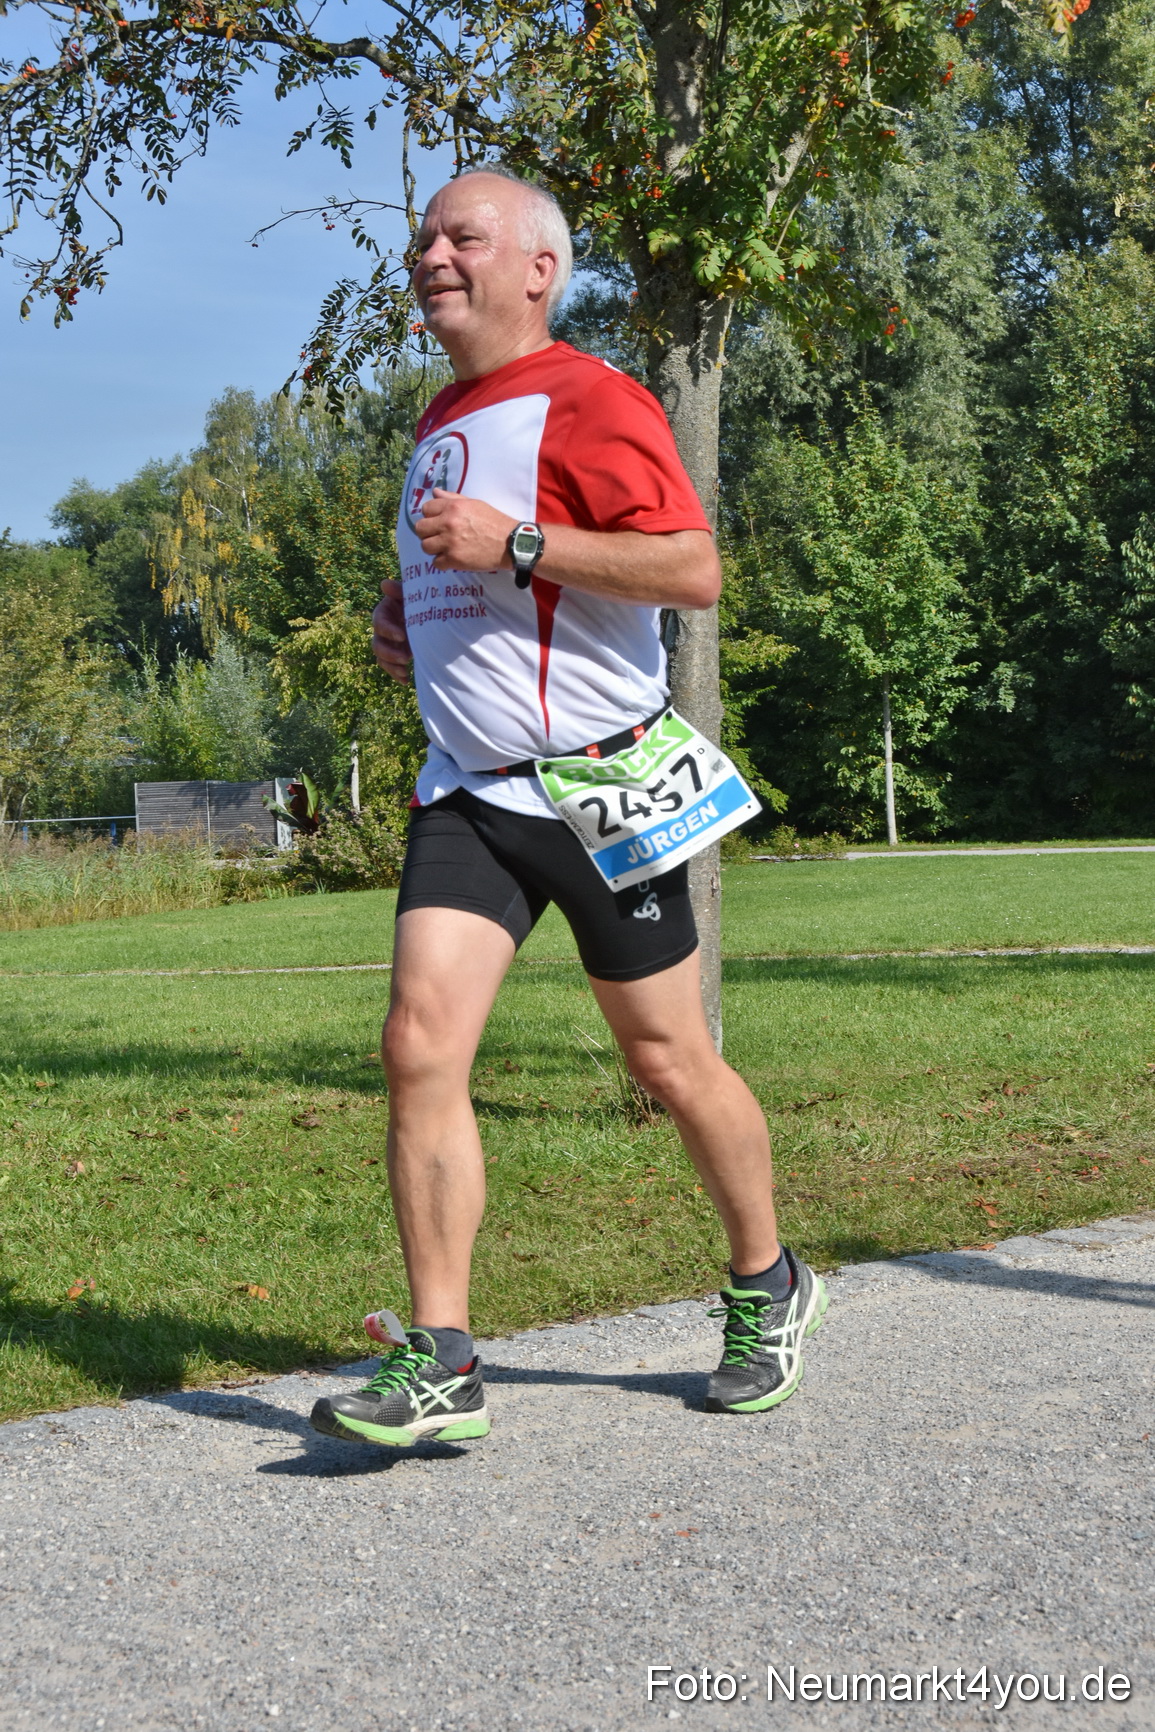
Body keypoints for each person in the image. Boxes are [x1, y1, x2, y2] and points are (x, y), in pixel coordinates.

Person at [310, 167, 827, 1450]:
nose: (432, 254)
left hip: (598, 785)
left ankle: (768, 1281)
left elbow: (691, 569)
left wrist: (519, 543)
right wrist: (406, 614)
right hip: (468, 788)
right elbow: (469, 574)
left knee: (667, 1059)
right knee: (418, 1046)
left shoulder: (593, 398)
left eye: (462, 236)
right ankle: (443, 1359)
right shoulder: (440, 415)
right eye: (424, 237)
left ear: (539, 269)